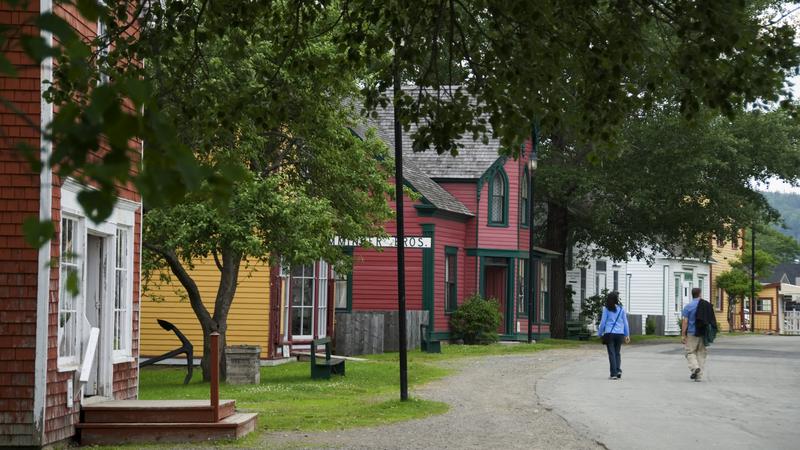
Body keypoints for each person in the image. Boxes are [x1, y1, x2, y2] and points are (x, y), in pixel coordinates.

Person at [681, 287, 712, 382]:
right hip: (703, 333)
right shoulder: (706, 305)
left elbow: (685, 321)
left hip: (692, 333)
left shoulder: (688, 306)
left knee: (690, 352)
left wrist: (683, 334)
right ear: (700, 294)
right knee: (701, 353)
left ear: (692, 294)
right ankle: (699, 376)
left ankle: (695, 368)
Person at [597, 291, 630, 380]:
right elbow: (625, 322)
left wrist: (599, 333)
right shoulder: (621, 309)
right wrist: (627, 334)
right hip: (619, 334)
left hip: (609, 334)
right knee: (617, 353)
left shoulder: (606, 309)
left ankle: (613, 374)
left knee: (611, 354)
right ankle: (618, 370)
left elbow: (603, 323)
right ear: (616, 300)